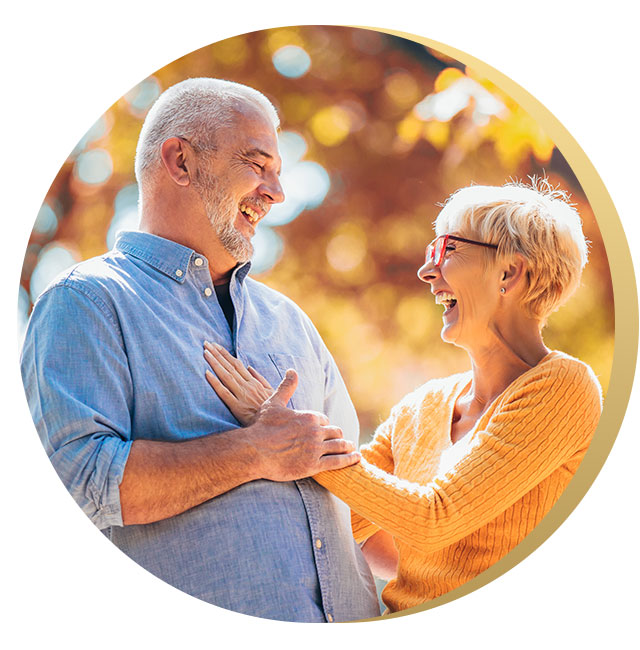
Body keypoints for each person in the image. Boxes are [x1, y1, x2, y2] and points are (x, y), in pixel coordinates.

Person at [20, 78, 380, 623]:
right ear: (181, 161)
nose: (277, 191)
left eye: (278, 172)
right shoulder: (87, 303)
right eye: (258, 164)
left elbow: (355, 499)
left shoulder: (292, 322)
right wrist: (254, 451)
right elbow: (79, 484)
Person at [202, 180, 603, 614]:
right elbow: (349, 515)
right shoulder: (423, 406)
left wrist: (296, 437)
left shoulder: (563, 386)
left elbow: (435, 518)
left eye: (447, 250)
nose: (427, 272)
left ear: (509, 272)